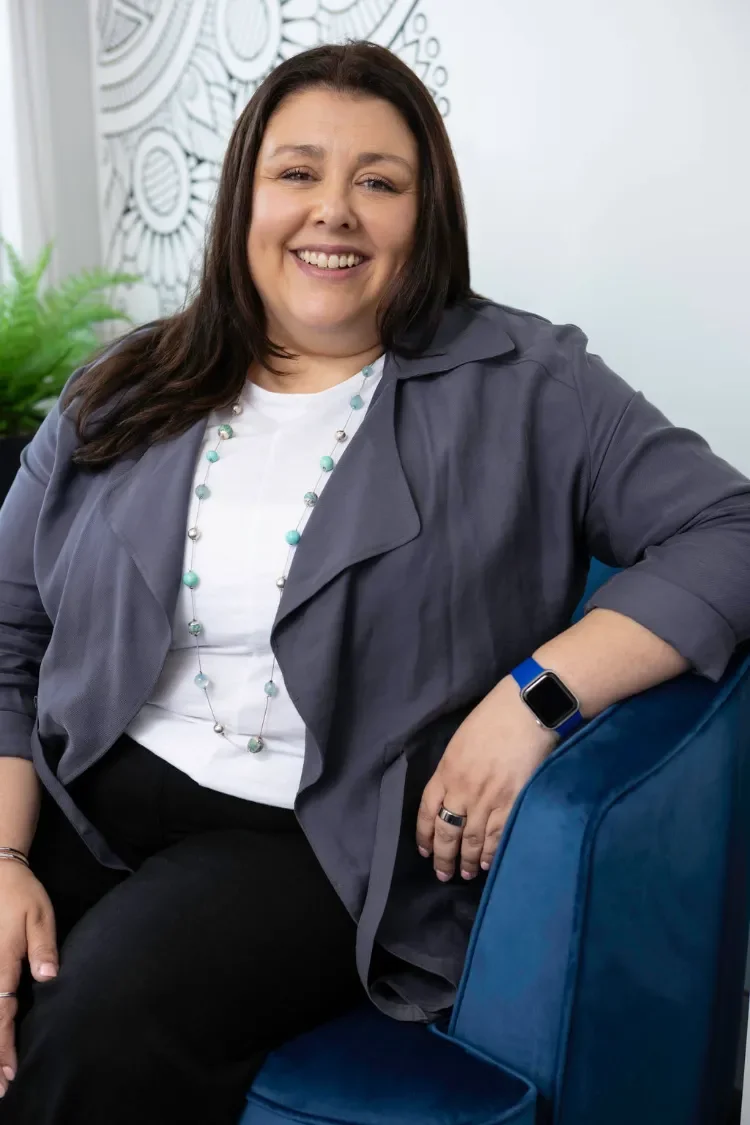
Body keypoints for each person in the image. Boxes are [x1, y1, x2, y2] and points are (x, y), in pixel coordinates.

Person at [0, 39, 748, 1125]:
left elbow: (728, 526)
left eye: (379, 183)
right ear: (244, 200)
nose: (333, 212)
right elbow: (6, 633)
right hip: (85, 790)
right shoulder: (123, 390)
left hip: (314, 843)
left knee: (90, 1016)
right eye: (298, 173)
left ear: (425, 213)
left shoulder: (531, 384)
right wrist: (6, 854)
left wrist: (536, 694)